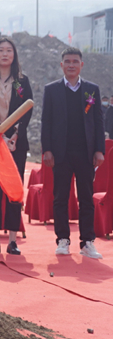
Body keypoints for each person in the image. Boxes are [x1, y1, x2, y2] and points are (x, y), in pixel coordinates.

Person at [41, 47, 105, 259]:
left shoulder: (91, 89)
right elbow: (46, 121)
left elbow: (98, 121)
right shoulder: (52, 90)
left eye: (75, 61)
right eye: (67, 61)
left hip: (86, 153)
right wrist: (47, 149)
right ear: (61, 65)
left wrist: (99, 150)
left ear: (81, 65)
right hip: (61, 153)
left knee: (86, 198)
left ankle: (87, 242)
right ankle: (62, 240)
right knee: (60, 197)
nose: (71, 65)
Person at [0, 37, 32, 255]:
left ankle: (12, 239)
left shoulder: (22, 81)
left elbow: (28, 110)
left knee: (14, 189)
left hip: (16, 143)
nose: (4, 54)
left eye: (9, 50)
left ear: (14, 55)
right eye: (0, 50)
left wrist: (15, 134)